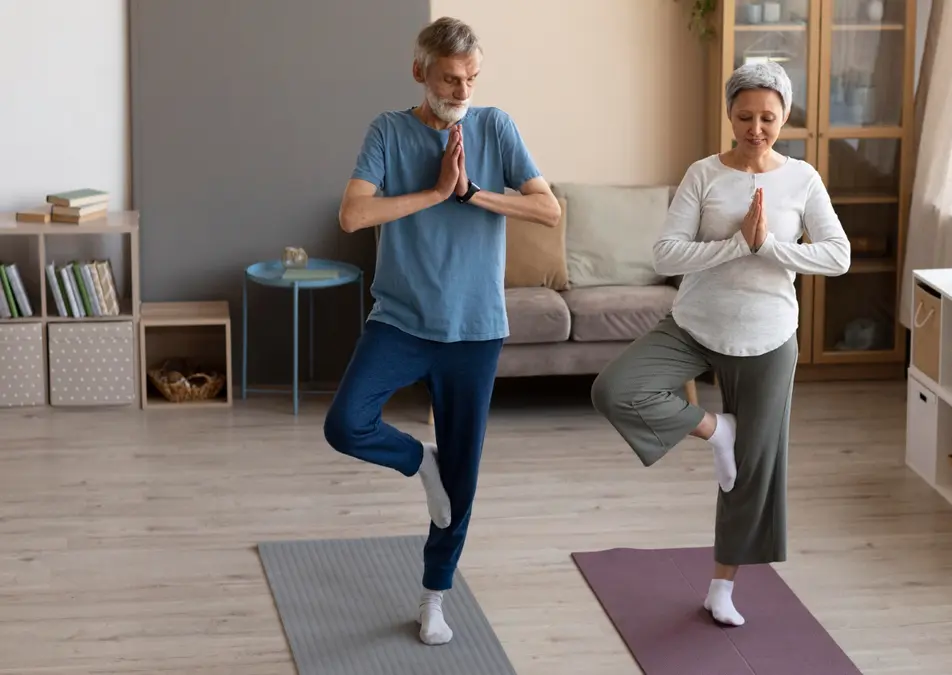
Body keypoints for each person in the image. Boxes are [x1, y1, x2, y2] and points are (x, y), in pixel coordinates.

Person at [323, 16, 560, 646]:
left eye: (471, 78)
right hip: (399, 321)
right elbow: (352, 215)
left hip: (475, 330)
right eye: (450, 78)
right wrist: (434, 193)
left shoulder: (495, 127)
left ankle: (435, 597)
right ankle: (416, 461)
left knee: (465, 474)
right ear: (420, 72)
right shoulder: (389, 131)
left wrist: (472, 193)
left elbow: (548, 208)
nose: (461, 90)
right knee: (346, 425)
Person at [590, 61, 850, 627]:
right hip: (696, 327)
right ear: (729, 115)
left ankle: (721, 589)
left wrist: (771, 249)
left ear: (784, 116)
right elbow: (664, 254)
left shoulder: (802, 179)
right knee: (615, 389)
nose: (756, 127)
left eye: (768, 117)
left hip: (767, 336)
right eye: (744, 116)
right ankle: (716, 431)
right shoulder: (704, 174)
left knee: (752, 474)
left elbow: (837, 255)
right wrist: (736, 244)